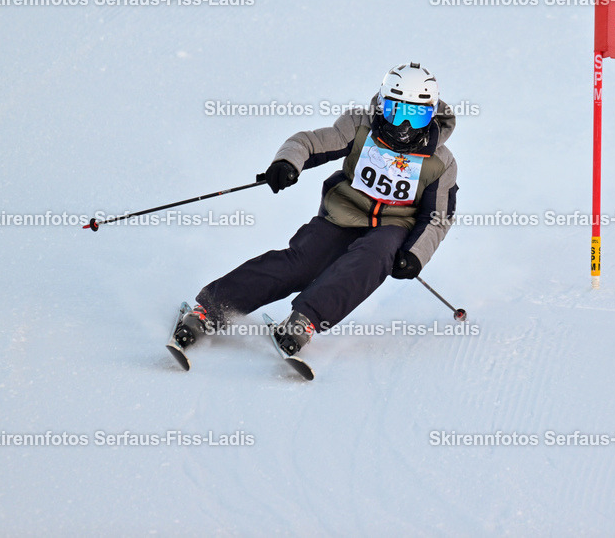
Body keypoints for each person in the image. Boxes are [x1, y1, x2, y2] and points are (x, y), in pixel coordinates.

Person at [177, 63, 458, 357]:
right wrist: (288, 163)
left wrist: (415, 254)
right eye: (396, 111)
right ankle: (211, 308)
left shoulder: (442, 162)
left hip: (393, 227)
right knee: (302, 263)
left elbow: (437, 218)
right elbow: (308, 143)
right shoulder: (361, 126)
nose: (404, 127)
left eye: (416, 115)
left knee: (374, 256)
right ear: (382, 104)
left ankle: (305, 321)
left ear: (432, 112)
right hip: (342, 215)